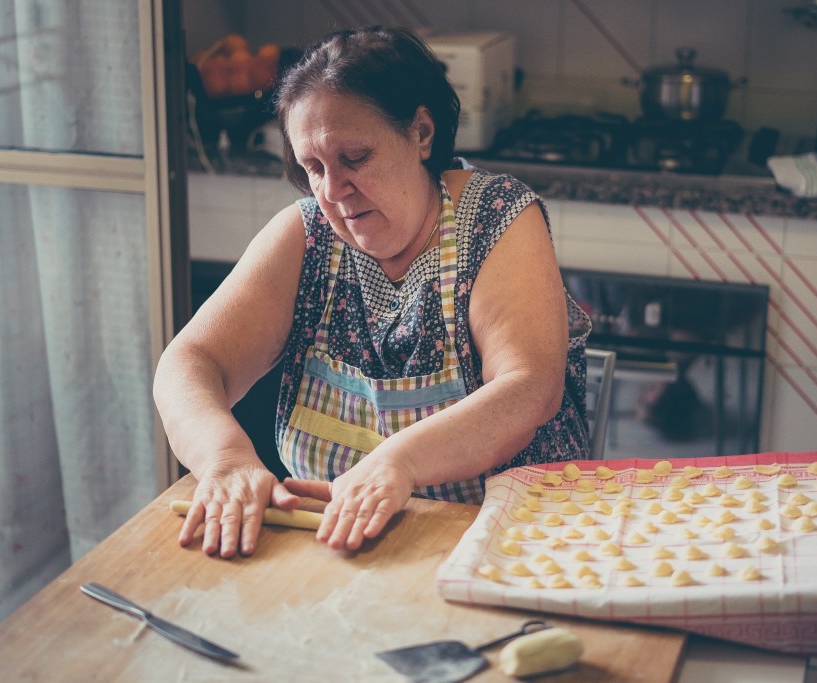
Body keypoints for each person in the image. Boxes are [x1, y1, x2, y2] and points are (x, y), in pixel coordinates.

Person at [153, 26, 591, 558]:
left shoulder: (497, 216)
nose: (333, 192)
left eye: (355, 158)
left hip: (510, 549)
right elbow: (189, 361)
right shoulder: (306, 235)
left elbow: (529, 387)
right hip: (333, 555)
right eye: (314, 168)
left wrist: (397, 461)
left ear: (421, 133)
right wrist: (225, 460)